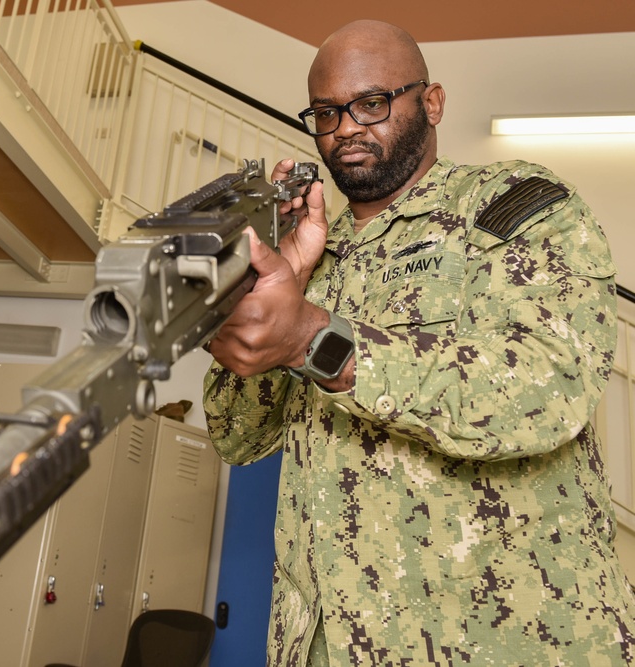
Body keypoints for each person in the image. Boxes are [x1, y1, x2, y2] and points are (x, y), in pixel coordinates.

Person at [203, 18, 634, 666]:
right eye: (326, 112)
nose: (345, 126)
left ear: (430, 102)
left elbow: (548, 389)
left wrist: (315, 339)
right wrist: (271, 293)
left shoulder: (509, 206)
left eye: (371, 102)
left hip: (504, 643)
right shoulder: (313, 256)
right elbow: (235, 435)